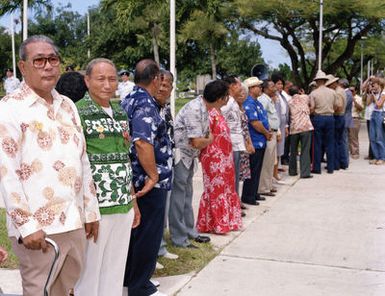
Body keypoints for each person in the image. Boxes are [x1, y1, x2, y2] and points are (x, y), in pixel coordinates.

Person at [0, 35, 100, 296]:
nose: (47, 66)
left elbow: (83, 159)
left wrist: (90, 211)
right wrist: (27, 226)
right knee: (39, 291)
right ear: (23, 67)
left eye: (52, 59)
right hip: (38, 230)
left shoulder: (67, 105)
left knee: (66, 290)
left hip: (73, 220)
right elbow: (6, 172)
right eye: (39, 60)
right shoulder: (9, 109)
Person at [74, 58, 141, 296]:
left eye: (112, 79)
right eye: (100, 78)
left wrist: (132, 199)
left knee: (115, 268)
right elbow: (76, 163)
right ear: (87, 80)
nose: (107, 84)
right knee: (90, 272)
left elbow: (125, 159)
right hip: (96, 209)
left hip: (122, 205)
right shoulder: (78, 112)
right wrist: (85, 208)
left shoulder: (120, 113)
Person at [121, 59, 172, 296]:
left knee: (135, 233)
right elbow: (142, 142)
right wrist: (153, 175)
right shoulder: (145, 104)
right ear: (156, 79)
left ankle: (131, 279)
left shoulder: (128, 98)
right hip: (147, 182)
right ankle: (140, 285)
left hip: (134, 180)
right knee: (148, 234)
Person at [168, 83, 213, 248]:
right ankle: (179, 238)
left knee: (187, 195)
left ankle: (189, 231)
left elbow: (204, 137)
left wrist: (206, 140)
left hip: (190, 157)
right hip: (182, 156)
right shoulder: (194, 109)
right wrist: (208, 140)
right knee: (178, 199)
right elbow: (197, 141)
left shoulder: (204, 107)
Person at [196, 80, 242, 234]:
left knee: (226, 188)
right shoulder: (209, 114)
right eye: (226, 96)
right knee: (216, 190)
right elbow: (204, 136)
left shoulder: (218, 112)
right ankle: (216, 223)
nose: (228, 98)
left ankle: (225, 221)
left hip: (225, 158)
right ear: (220, 98)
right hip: (214, 159)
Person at [157, 69, 179, 263]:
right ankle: (153, 251)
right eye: (161, 84)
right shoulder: (150, 107)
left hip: (168, 164)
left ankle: (160, 247)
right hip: (153, 169)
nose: (164, 88)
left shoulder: (166, 108)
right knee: (154, 213)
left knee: (163, 209)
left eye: (167, 85)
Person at [241, 77, 271, 205]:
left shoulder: (257, 102)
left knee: (258, 169)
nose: (260, 88)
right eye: (258, 86)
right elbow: (254, 122)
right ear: (251, 89)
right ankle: (248, 196)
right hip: (255, 141)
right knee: (253, 169)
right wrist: (266, 132)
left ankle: (254, 192)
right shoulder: (249, 103)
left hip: (261, 140)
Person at [221, 75, 247, 196]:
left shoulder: (233, 102)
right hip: (231, 143)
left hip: (236, 143)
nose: (240, 87)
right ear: (231, 86)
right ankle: (232, 204)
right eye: (238, 84)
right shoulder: (228, 102)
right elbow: (219, 118)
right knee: (232, 177)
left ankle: (234, 203)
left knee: (235, 176)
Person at [309, 70, 338, 174]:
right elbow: (336, 106)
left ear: (316, 81)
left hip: (318, 118)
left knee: (317, 143)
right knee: (330, 143)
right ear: (325, 81)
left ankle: (316, 167)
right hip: (330, 118)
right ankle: (330, 167)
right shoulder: (333, 92)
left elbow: (312, 108)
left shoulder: (313, 93)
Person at [258, 79, 280, 197]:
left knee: (271, 161)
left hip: (273, 133)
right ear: (265, 88)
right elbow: (262, 117)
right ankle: (263, 188)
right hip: (268, 133)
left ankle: (268, 185)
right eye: (272, 86)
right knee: (266, 162)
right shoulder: (263, 100)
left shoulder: (269, 100)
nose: (275, 88)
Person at [287, 86, 314, 178]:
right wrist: (302, 93)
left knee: (293, 151)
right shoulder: (305, 97)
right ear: (299, 91)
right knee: (305, 150)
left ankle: (292, 171)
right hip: (306, 127)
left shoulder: (289, 102)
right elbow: (311, 104)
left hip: (294, 128)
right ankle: (305, 173)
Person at [325, 74, 347, 170]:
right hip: (341, 117)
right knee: (340, 141)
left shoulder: (337, 93)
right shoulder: (341, 91)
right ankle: (343, 162)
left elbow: (339, 106)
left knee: (335, 141)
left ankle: (336, 163)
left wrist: (331, 109)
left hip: (338, 117)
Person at [367, 77, 385, 164]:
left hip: (380, 114)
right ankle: (376, 156)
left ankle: (382, 157)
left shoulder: (383, 93)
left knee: (379, 137)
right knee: (372, 137)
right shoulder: (375, 92)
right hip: (373, 114)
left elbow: (379, 104)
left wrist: (374, 95)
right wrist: (371, 93)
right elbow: (367, 103)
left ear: (379, 84)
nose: (372, 86)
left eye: (374, 84)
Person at [348, 86, 363, 159]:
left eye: (352, 91)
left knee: (354, 137)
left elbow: (360, 109)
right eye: (349, 90)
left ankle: (355, 153)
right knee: (348, 137)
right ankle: (350, 151)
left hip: (355, 118)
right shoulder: (347, 97)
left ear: (355, 91)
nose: (351, 92)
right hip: (347, 118)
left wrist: (354, 100)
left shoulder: (359, 98)